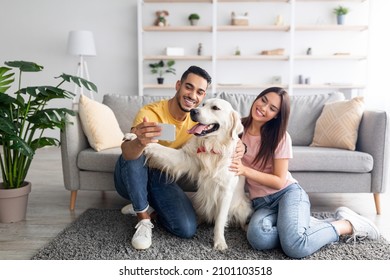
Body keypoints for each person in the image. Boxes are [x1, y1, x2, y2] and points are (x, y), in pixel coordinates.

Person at [229, 87, 380, 259]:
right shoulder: (237, 127)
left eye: (272, 108)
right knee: (258, 238)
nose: (263, 108)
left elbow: (279, 181)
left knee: (296, 246)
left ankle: (346, 224)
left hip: (287, 194)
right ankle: (301, 225)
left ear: (277, 115)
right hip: (261, 204)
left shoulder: (280, 137)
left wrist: (245, 170)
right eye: (263, 100)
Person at [114, 65, 245, 250]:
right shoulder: (150, 112)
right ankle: (143, 219)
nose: (193, 95)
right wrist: (140, 141)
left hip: (159, 177)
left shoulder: (198, 123)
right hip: (131, 172)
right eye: (188, 87)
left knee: (186, 228)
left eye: (200, 92)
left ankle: (147, 204)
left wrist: (241, 144)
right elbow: (128, 153)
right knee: (137, 149)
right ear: (178, 85)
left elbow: (227, 132)